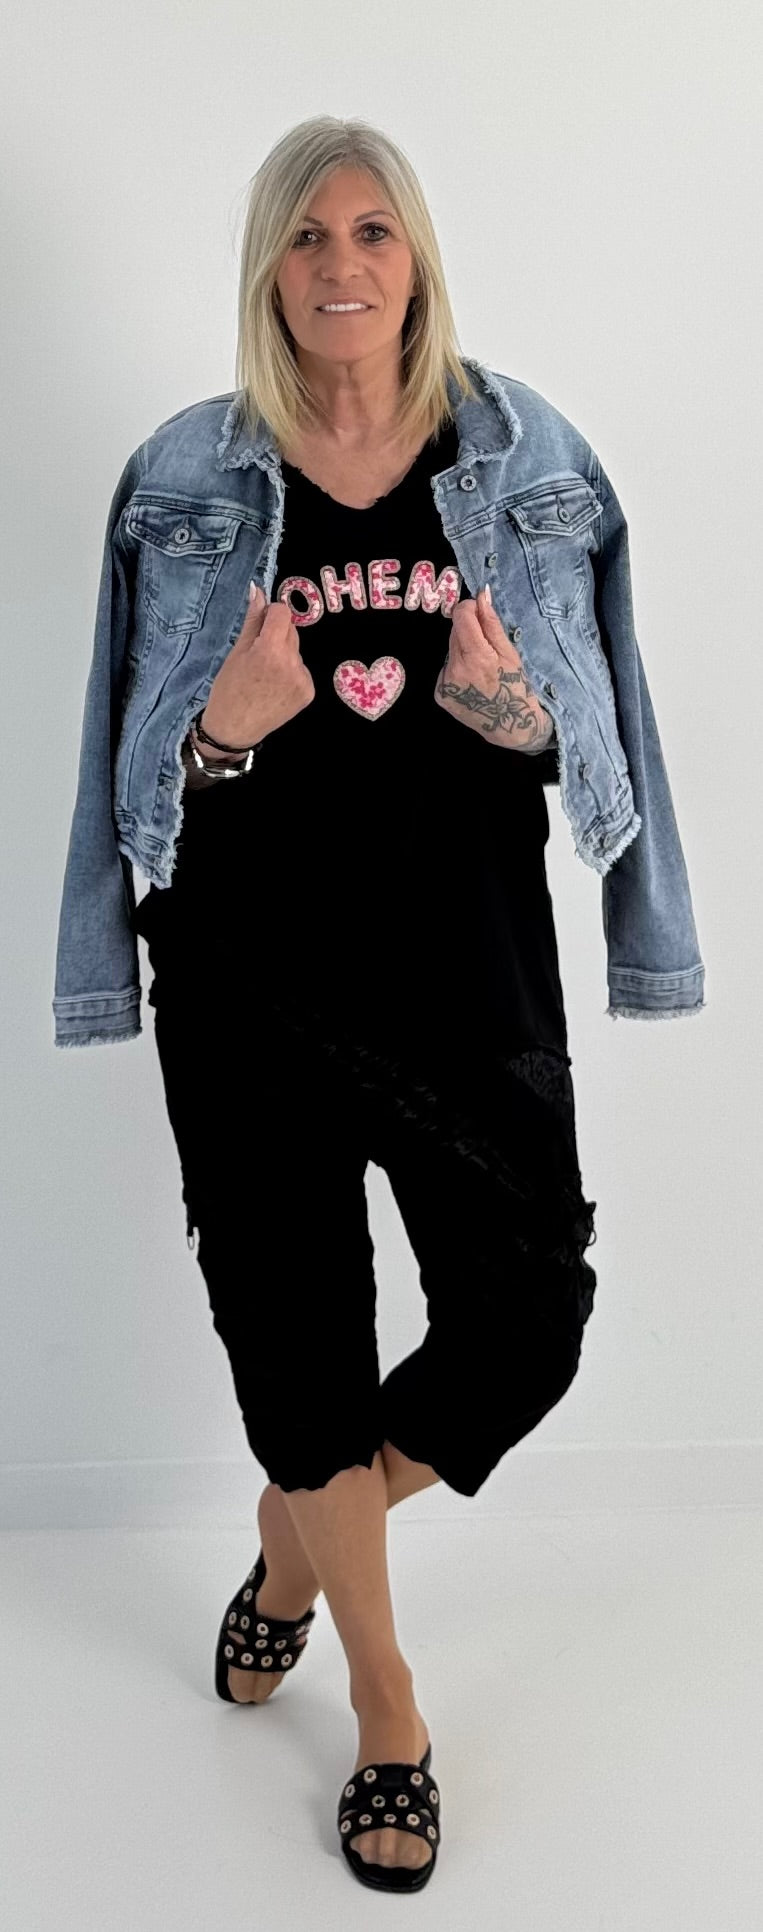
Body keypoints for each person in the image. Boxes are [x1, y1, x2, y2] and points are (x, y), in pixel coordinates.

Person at [131, 122, 599, 1893]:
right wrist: (226, 729)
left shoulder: (523, 456)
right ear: (270, 265)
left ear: (418, 261)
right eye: (309, 233)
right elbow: (139, 778)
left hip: (465, 963)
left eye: (376, 231)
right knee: (300, 1345)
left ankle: (294, 1532)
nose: (343, 263)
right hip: (246, 979)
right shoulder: (187, 476)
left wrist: (505, 715)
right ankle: (388, 1706)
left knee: (531, 1314)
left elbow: (583, 734)